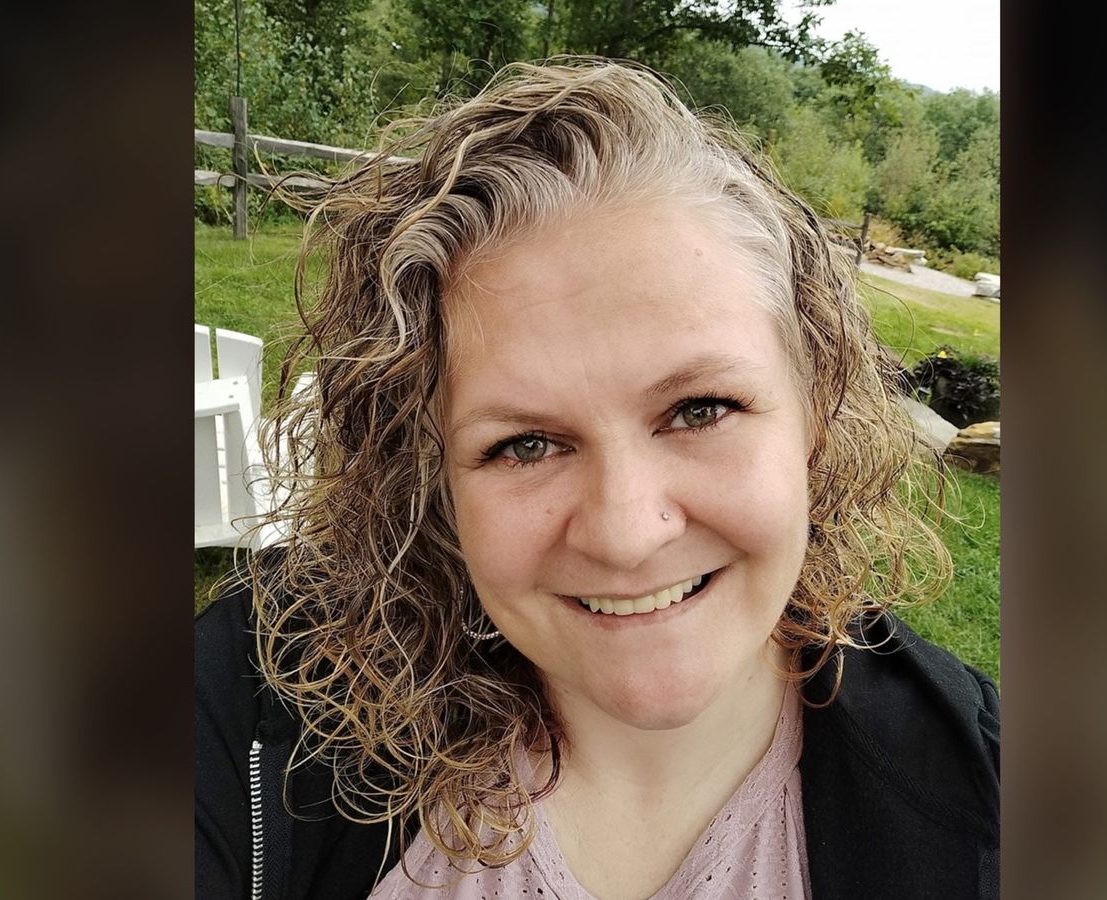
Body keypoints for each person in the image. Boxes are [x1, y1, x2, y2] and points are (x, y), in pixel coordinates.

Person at [195, 59, 999, 900]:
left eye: (699, 409)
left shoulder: (994, 800)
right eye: (524, 445)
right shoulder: (254, 699)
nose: (625, 534)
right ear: (431, 477)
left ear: (816, 411)